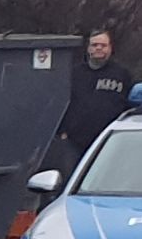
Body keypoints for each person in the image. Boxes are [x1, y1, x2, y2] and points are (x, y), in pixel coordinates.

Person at [52, 28, 135, 171]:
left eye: (103, 45)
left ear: (110, 48)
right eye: (95, 45)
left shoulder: (122, 74)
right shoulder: (74, 73)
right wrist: (62, 131)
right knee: (72, 177)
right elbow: (59, 101)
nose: (99, 48)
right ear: (88, 48)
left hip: (109, 141)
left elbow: (130, 103)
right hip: (75, 142)